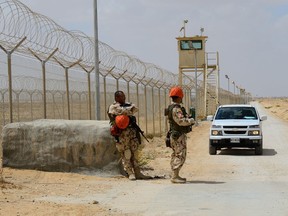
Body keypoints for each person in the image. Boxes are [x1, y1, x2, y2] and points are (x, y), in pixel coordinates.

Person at [107, 90, 152, 180]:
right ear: (116, 98)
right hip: (122, 133)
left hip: (132, 131)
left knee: (135, 152)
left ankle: (138, 172)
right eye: (121, 97)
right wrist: (126, 111)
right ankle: (130, 172)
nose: (124, 98)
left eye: (124, 96)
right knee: (126, 152)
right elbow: (117, 113)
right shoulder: (113, 107)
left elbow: (135, 109)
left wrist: (124, 111)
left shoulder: (127, 104)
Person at [166, 86, 195, 183]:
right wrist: (190, 120)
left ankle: (176, 174)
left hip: (174, 134)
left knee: (176, 154)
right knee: (180, 154)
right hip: (178, 135)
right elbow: (181, 121)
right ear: (179, 97)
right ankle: (175, 176)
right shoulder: (176, 109)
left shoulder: (171, 108)